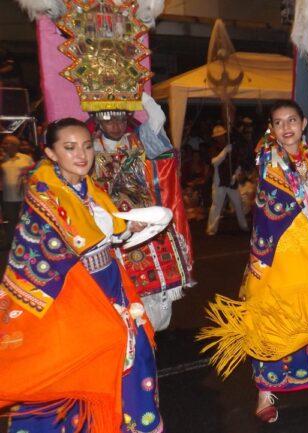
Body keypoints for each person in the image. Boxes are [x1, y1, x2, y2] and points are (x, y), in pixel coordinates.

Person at [199, 101, 308, 424]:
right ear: (271, 129)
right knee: (275, 318)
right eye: (278, 122)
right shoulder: (271, 163)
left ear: (303, 124)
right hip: (281, 254)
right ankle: (265, 390)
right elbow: (276, 209)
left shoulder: (306, 162)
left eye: (291, 120)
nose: (286, 127)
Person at [0, 118, 161, 433]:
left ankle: (130, 423)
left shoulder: (89, 187)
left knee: (135, 349)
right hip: (73, 291)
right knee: (83, 361)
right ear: (51, 152)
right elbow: (58, 247)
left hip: (110, 283)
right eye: (69, 148)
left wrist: (127, 227)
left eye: (86, 146)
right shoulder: (44, 195)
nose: (81, 155)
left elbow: (103, 229)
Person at [91, 94, 194, 331]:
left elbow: (158, 117)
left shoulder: (139, 140)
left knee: (157, 279)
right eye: (109, 121)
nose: (116, 126)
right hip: (114, 224)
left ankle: (152, 329)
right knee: (121, 281)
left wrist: (137, 93)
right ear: (98, 121)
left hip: (145, 219)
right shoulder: (91, 146)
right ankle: (127, 327)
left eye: (120, 120)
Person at [206, 125, 248, 235]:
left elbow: (238, 163)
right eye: (218, 136)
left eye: (222, 135)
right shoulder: (214, 148)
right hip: (219, 183)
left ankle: (244, 226)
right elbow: (215, 162)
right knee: (216, 206)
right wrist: (225, 151)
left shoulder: (232, 148)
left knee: (238, 204)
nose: (220, 138)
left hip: (231, 182)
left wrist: (235, 175)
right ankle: (211, 229)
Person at [1, 134, 35, 247]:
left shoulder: (26, 159)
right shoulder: (1, 160)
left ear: (15, 145)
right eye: (4, 143)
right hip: (8, 197)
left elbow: (34, 174)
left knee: (25, 220)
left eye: (7, 143)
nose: (4, 145)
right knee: (11, 221)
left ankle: (26, 242)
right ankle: (11, 243)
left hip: (24, 196)